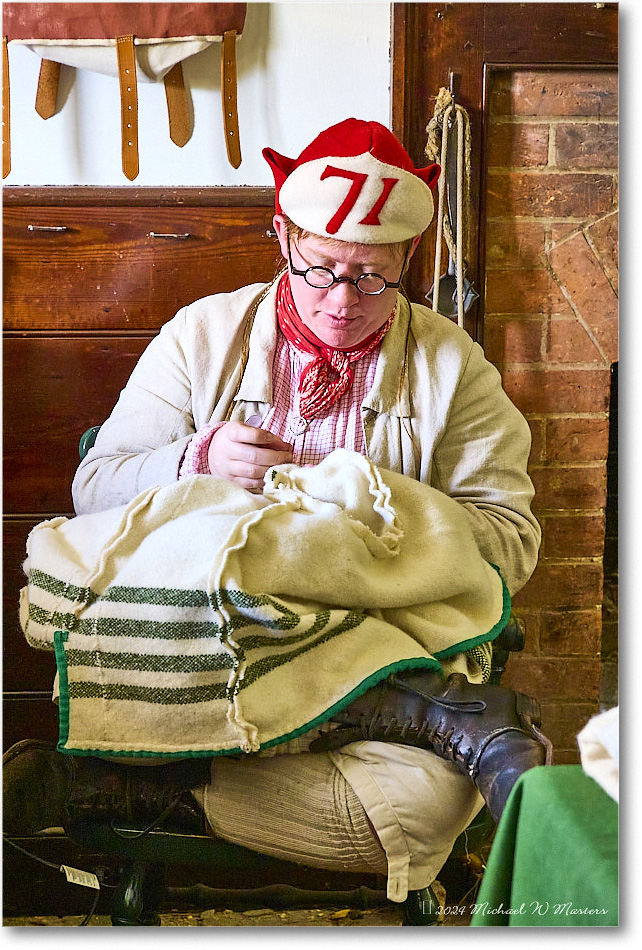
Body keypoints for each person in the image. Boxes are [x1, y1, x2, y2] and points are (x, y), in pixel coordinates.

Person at [3, 118, 550, 904]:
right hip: (206, 646)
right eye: (320, 268)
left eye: (371, 278)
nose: (340, 303)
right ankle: (417, 714)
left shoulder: (454, 371)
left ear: (406, 261)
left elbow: (512, 542)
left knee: (426, 812)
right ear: (282, 237)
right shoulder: (202, 335)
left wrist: (376, 510)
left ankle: (116, 785)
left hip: (372, 639)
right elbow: (97, 488)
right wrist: (197, 460)